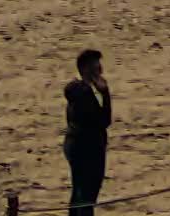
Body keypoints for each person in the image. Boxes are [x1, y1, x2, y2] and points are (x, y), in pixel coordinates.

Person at [64, 48, 112, 214]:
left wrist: (103, 92)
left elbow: (104, 121)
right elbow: (103, 120)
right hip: (86, 148)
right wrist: (104, 93)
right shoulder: (81, 91)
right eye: (96, 68)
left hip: (82, 146)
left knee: (80, 193)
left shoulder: (84, 90)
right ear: (86, 69)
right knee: (86, 196)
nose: (100, 71)